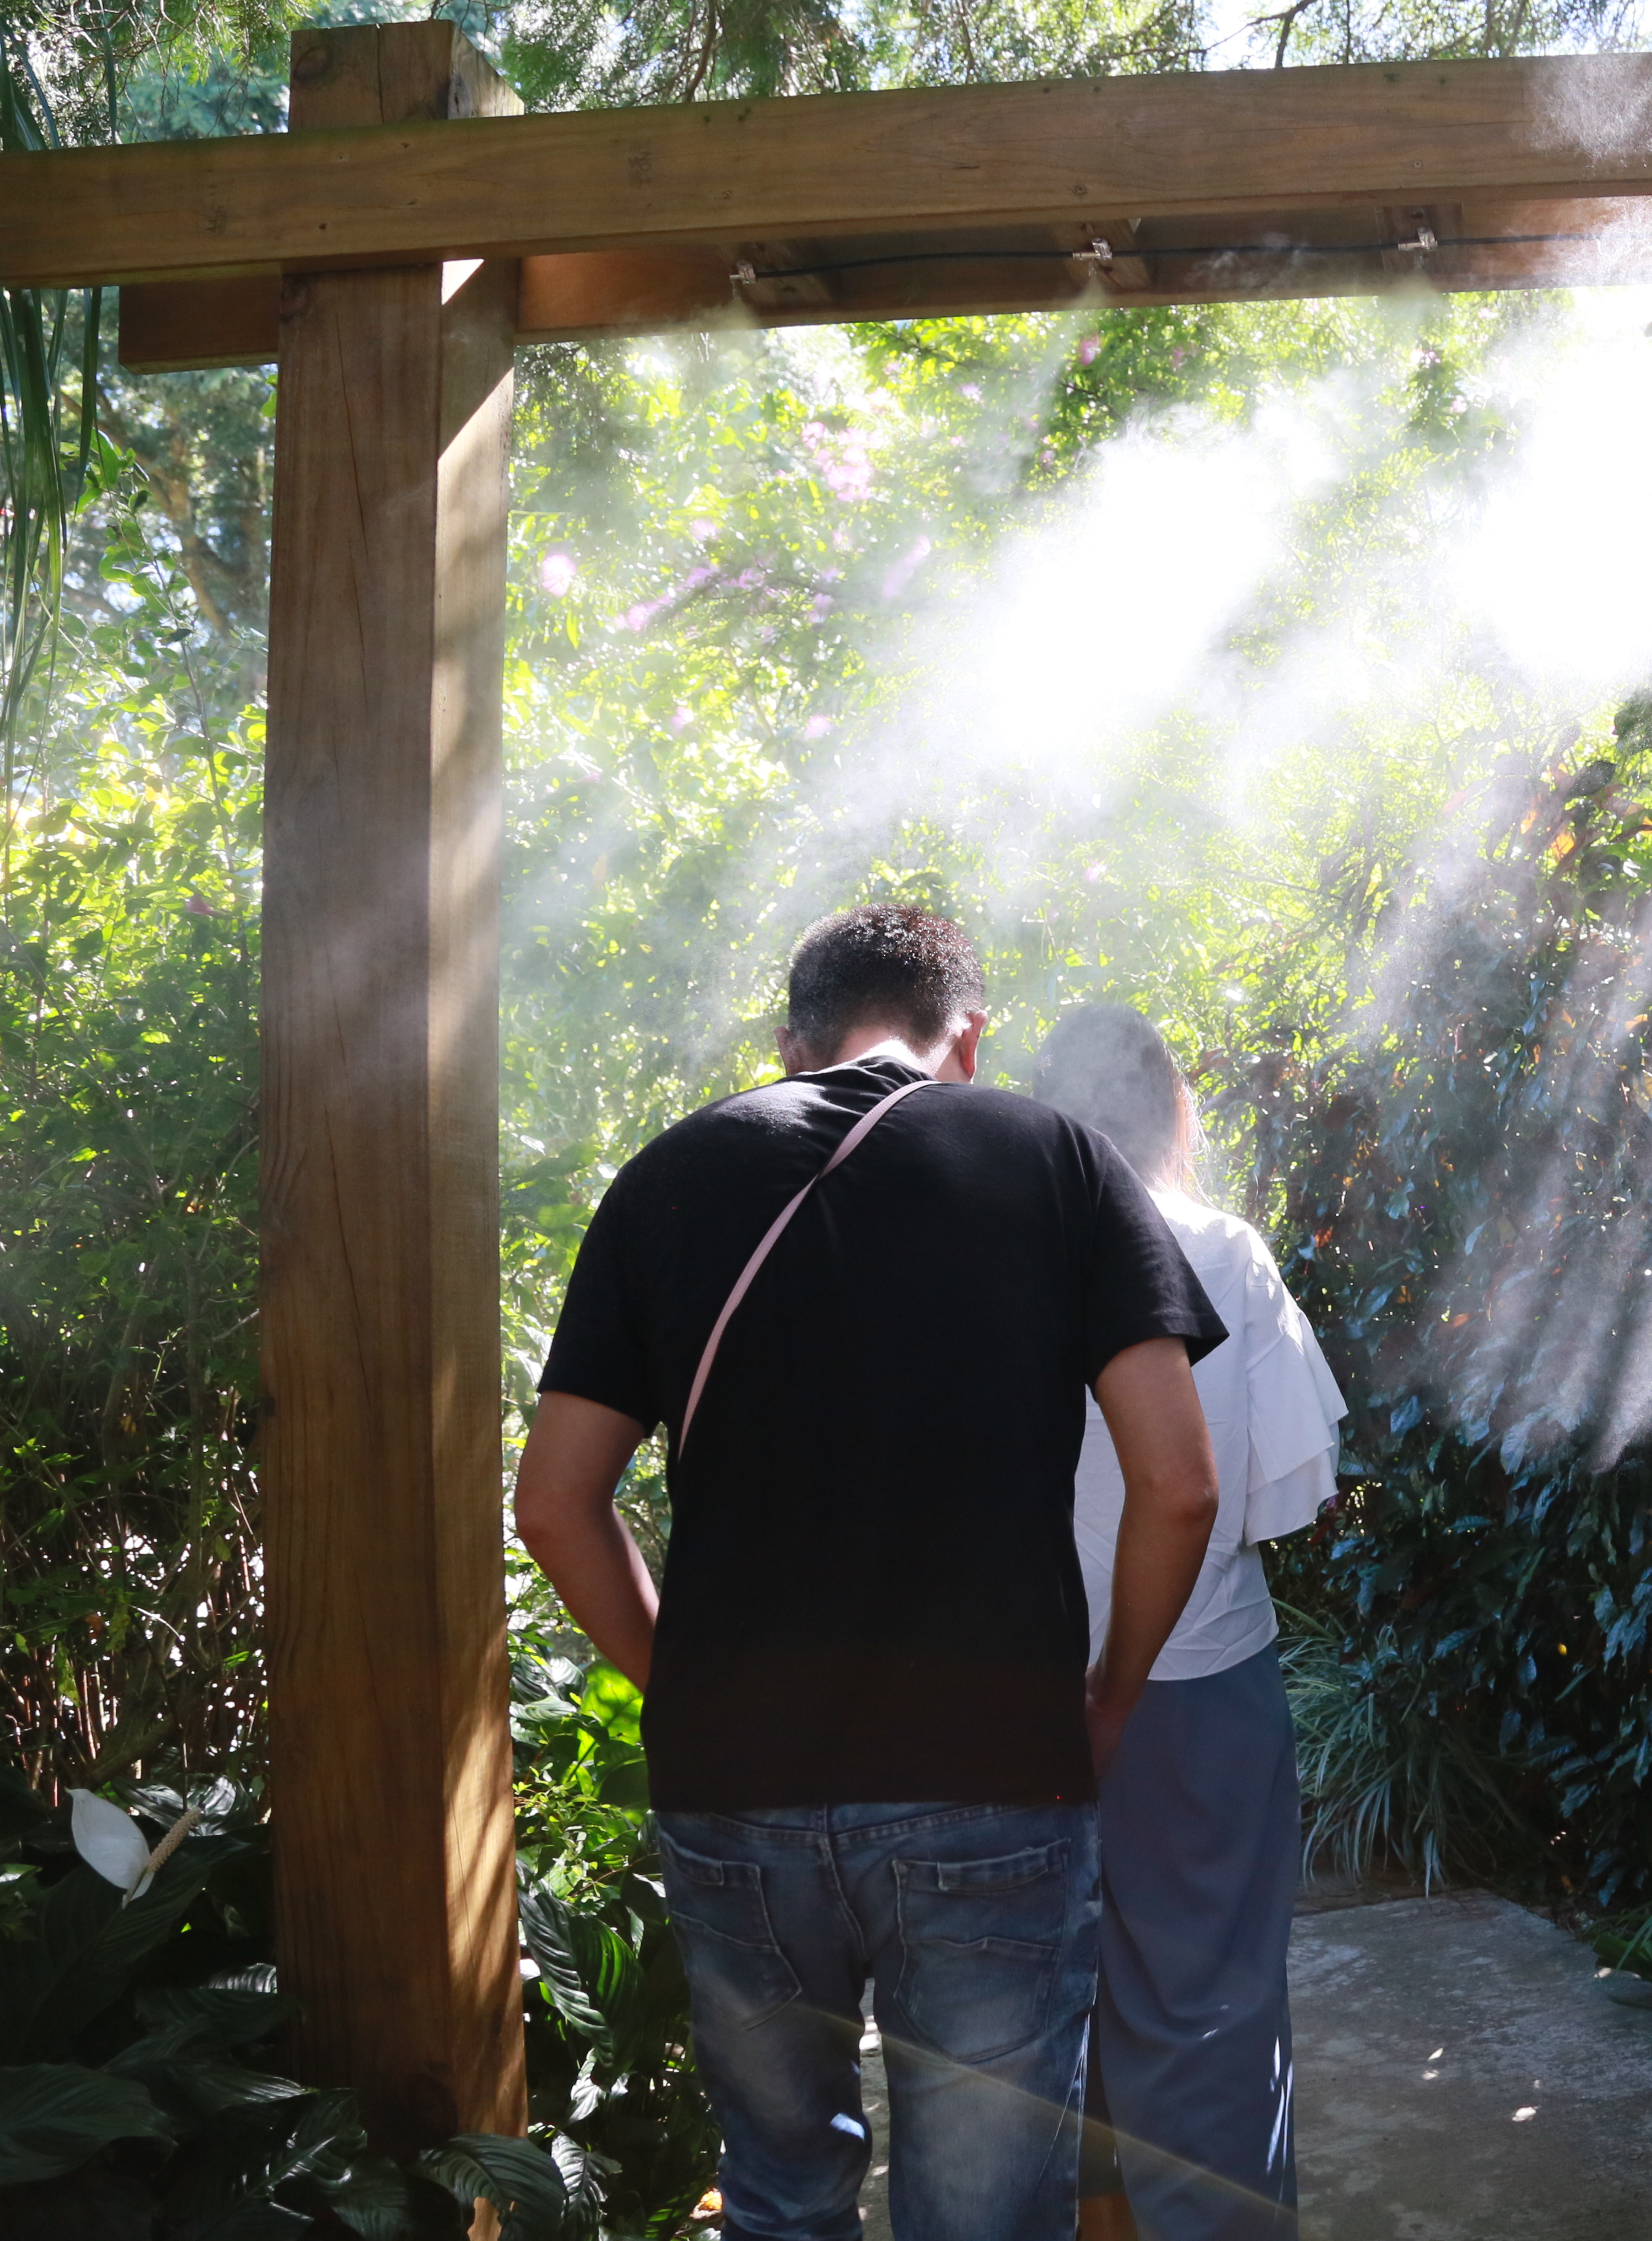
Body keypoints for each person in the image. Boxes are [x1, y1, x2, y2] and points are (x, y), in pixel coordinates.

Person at [515, 907, 1228, 2241]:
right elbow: (1179, 1484)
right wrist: (1115, 1693)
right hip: (990, 1776)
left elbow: (555, 1504)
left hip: (738, 1787)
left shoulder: (669, 1175)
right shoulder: (1059, 1160)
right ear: (968, 1038)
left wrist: (684, 1685)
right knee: (988, 2212)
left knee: (782, 2195)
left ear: (789, 1041)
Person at [1032, 1003, 1346, 2241]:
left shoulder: (996, 1250)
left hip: (1022, 1692)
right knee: (1208, 2020)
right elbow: (1286, 1492)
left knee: (1040, 2014)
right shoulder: (1221, 1248)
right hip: (1197, 1683)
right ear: (1172, 1112)